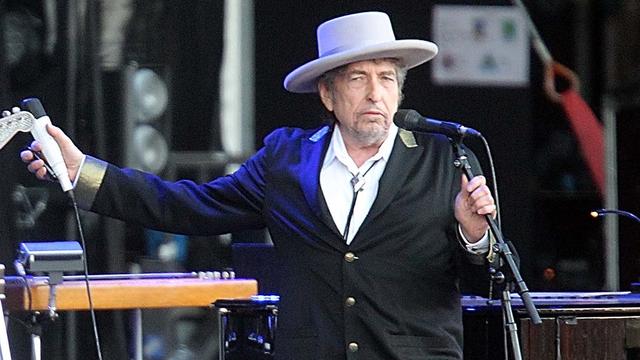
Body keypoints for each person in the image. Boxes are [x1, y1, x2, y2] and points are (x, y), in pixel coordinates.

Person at [22, 11, 496, 360]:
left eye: (387, 78)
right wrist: (83, 170)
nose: (376, 93)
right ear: (328, 94)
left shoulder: (445, 157)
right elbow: (187, 206)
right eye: (359, 78)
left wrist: (474, 236)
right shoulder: (287, 158)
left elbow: (488, 283)